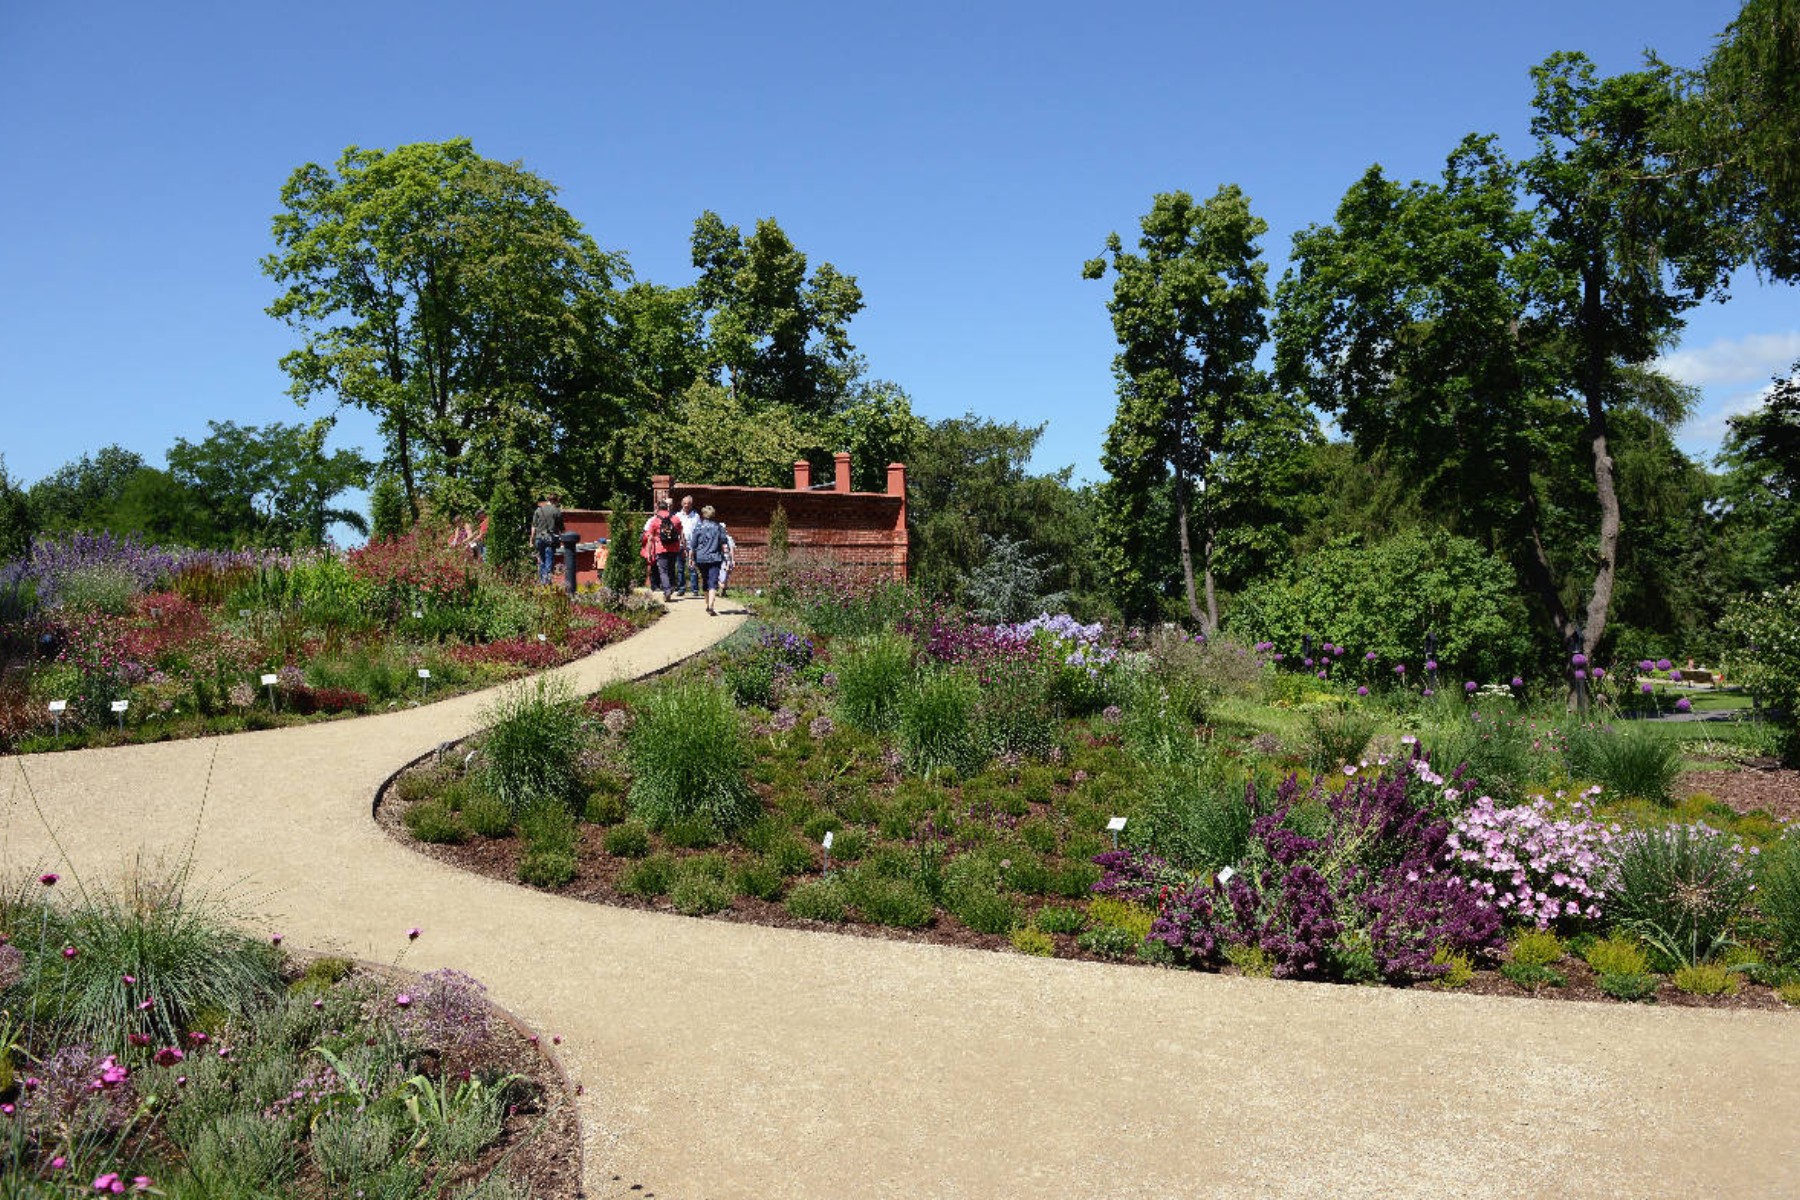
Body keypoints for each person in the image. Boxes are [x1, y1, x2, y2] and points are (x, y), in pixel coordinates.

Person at [688, 504, 727, 615]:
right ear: (713, 514)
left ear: (703, 515)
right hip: (715, 558)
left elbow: (693, 545)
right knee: (713, 581)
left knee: (705, 580)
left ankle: (708, 604)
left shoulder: (698, 527)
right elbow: (724, 542)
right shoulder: (719, 527)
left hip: (701, 558)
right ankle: (710, 606)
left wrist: (691, 558)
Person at [643, 500, 684, 601]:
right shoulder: (675, 519)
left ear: (658, 508)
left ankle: (667, 590)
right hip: (674, 548)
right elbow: (681, 533)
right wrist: (684, 547)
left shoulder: (655, 520)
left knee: (663, 571)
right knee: (671, 569)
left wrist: (648, 552)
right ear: (667, 507)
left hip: (661, 548)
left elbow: (649, 537)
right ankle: (672, 586)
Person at [531, 493, 565, 585]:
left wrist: (531, 540)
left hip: (539, 538)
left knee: (541, 559)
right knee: (549, 558)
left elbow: (534, 526)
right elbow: (561, 528)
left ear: (547, 500)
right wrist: (563, 538)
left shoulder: (539, 510)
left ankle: (542, 580)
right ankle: (547, 582)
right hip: (550, 538)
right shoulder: (557, 511)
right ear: (556, 500)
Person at [674, 494, 701, 597]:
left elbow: (698, 531)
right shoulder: (677, 516)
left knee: (692, 567)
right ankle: (681, 589)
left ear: (691, 505)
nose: (686, 505)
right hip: (680, 545)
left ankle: (695, 590)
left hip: (692, 545)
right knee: (680, 568)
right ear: (681, 504)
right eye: (684, 503)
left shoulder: (696, 516)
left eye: (688, 503)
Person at [716, 522, 736, 596]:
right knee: (722, 576)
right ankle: (722, 589)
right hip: (720, 559)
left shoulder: (728, 539)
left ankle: (723, 590)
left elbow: (732, 550)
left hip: (726, 560)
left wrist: (732, 560)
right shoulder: (717, 538)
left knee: (725, 576)